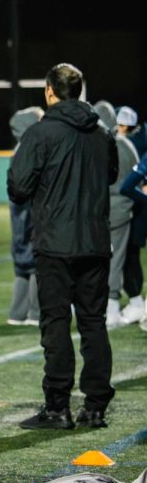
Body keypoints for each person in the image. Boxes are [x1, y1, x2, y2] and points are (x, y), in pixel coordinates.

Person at [9, 63, 118, 429]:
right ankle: (95, 406)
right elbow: (112, 175)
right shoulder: (102, 133)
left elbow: (19, 186)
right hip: (95, 242)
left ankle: (57, 407)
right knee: (93, 323)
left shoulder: (41, 133)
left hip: (55, 243)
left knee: (55, 324)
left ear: (49, 92)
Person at [95, 102, 140, 327]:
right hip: (121, 210)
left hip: (97, 211)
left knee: (97, 260)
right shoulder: (123, 145)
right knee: (116, 259)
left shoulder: (94, 143)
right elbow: (138, 178)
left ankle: (102, 306)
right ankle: (111, 308)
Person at [7, 107, 44, 326]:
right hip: (30, 210)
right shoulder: (29, 150)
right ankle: (35, 313)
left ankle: (17, 313)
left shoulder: (19, 149)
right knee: (36, 261)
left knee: (22, 263)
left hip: (20, 211)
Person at [116, 106, 146, 326]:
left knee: (128, 255)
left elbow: (126, 186)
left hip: (135, 211)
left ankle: (136, 303)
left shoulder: (129, 145)